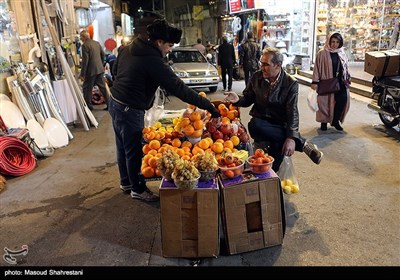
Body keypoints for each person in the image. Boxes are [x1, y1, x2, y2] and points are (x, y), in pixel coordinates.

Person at [109, 19, 221, 202]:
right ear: (159, 42)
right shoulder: (153, 60)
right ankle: (137, 188)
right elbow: (179, 88)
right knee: (134, 150)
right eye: (169, 45)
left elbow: (115, 69)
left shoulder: (128, 48)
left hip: (115, 102)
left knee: (123, 146)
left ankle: (126, 182)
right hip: (130, 108)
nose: (170, 49)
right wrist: (209, 106)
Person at [223, 47, 324, 172]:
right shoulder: (256, 77)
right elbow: (248, 99)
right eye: (261, 63)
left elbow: (292, 112)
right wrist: (237, 99)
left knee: (276, 156)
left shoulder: (290, 83)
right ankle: (302, 144)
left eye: (266, 64)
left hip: (279, 124)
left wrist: (291, 138)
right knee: (254, 125)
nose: (261, 67)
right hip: (260, 123)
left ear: (278, 65)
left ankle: (272, 179)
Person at [311, 32, 351, 131]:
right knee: (324, 103)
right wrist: (315, 82)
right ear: (328, 41)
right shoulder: (322, 53)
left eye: (337, 42)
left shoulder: (341, 52)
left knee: (342, 100)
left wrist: (348, 77)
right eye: (332, 41)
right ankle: (324, 122)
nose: (334, 44)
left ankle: (335, 120)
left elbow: (345, 67)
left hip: (340, 82)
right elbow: (317, 68)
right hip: (327, 82)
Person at [79, 29, 109, 110]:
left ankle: (89, 107)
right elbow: (103, 55)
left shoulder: (85, 45)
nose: (80, 39)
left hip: (90, 71)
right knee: (103, 88)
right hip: (99, 69)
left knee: (87, 89)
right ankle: (109, 105)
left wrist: (82, 74)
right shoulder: (96, 43)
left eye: (80, 37)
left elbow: (85, 61)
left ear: (83, 37)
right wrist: (101, 65)